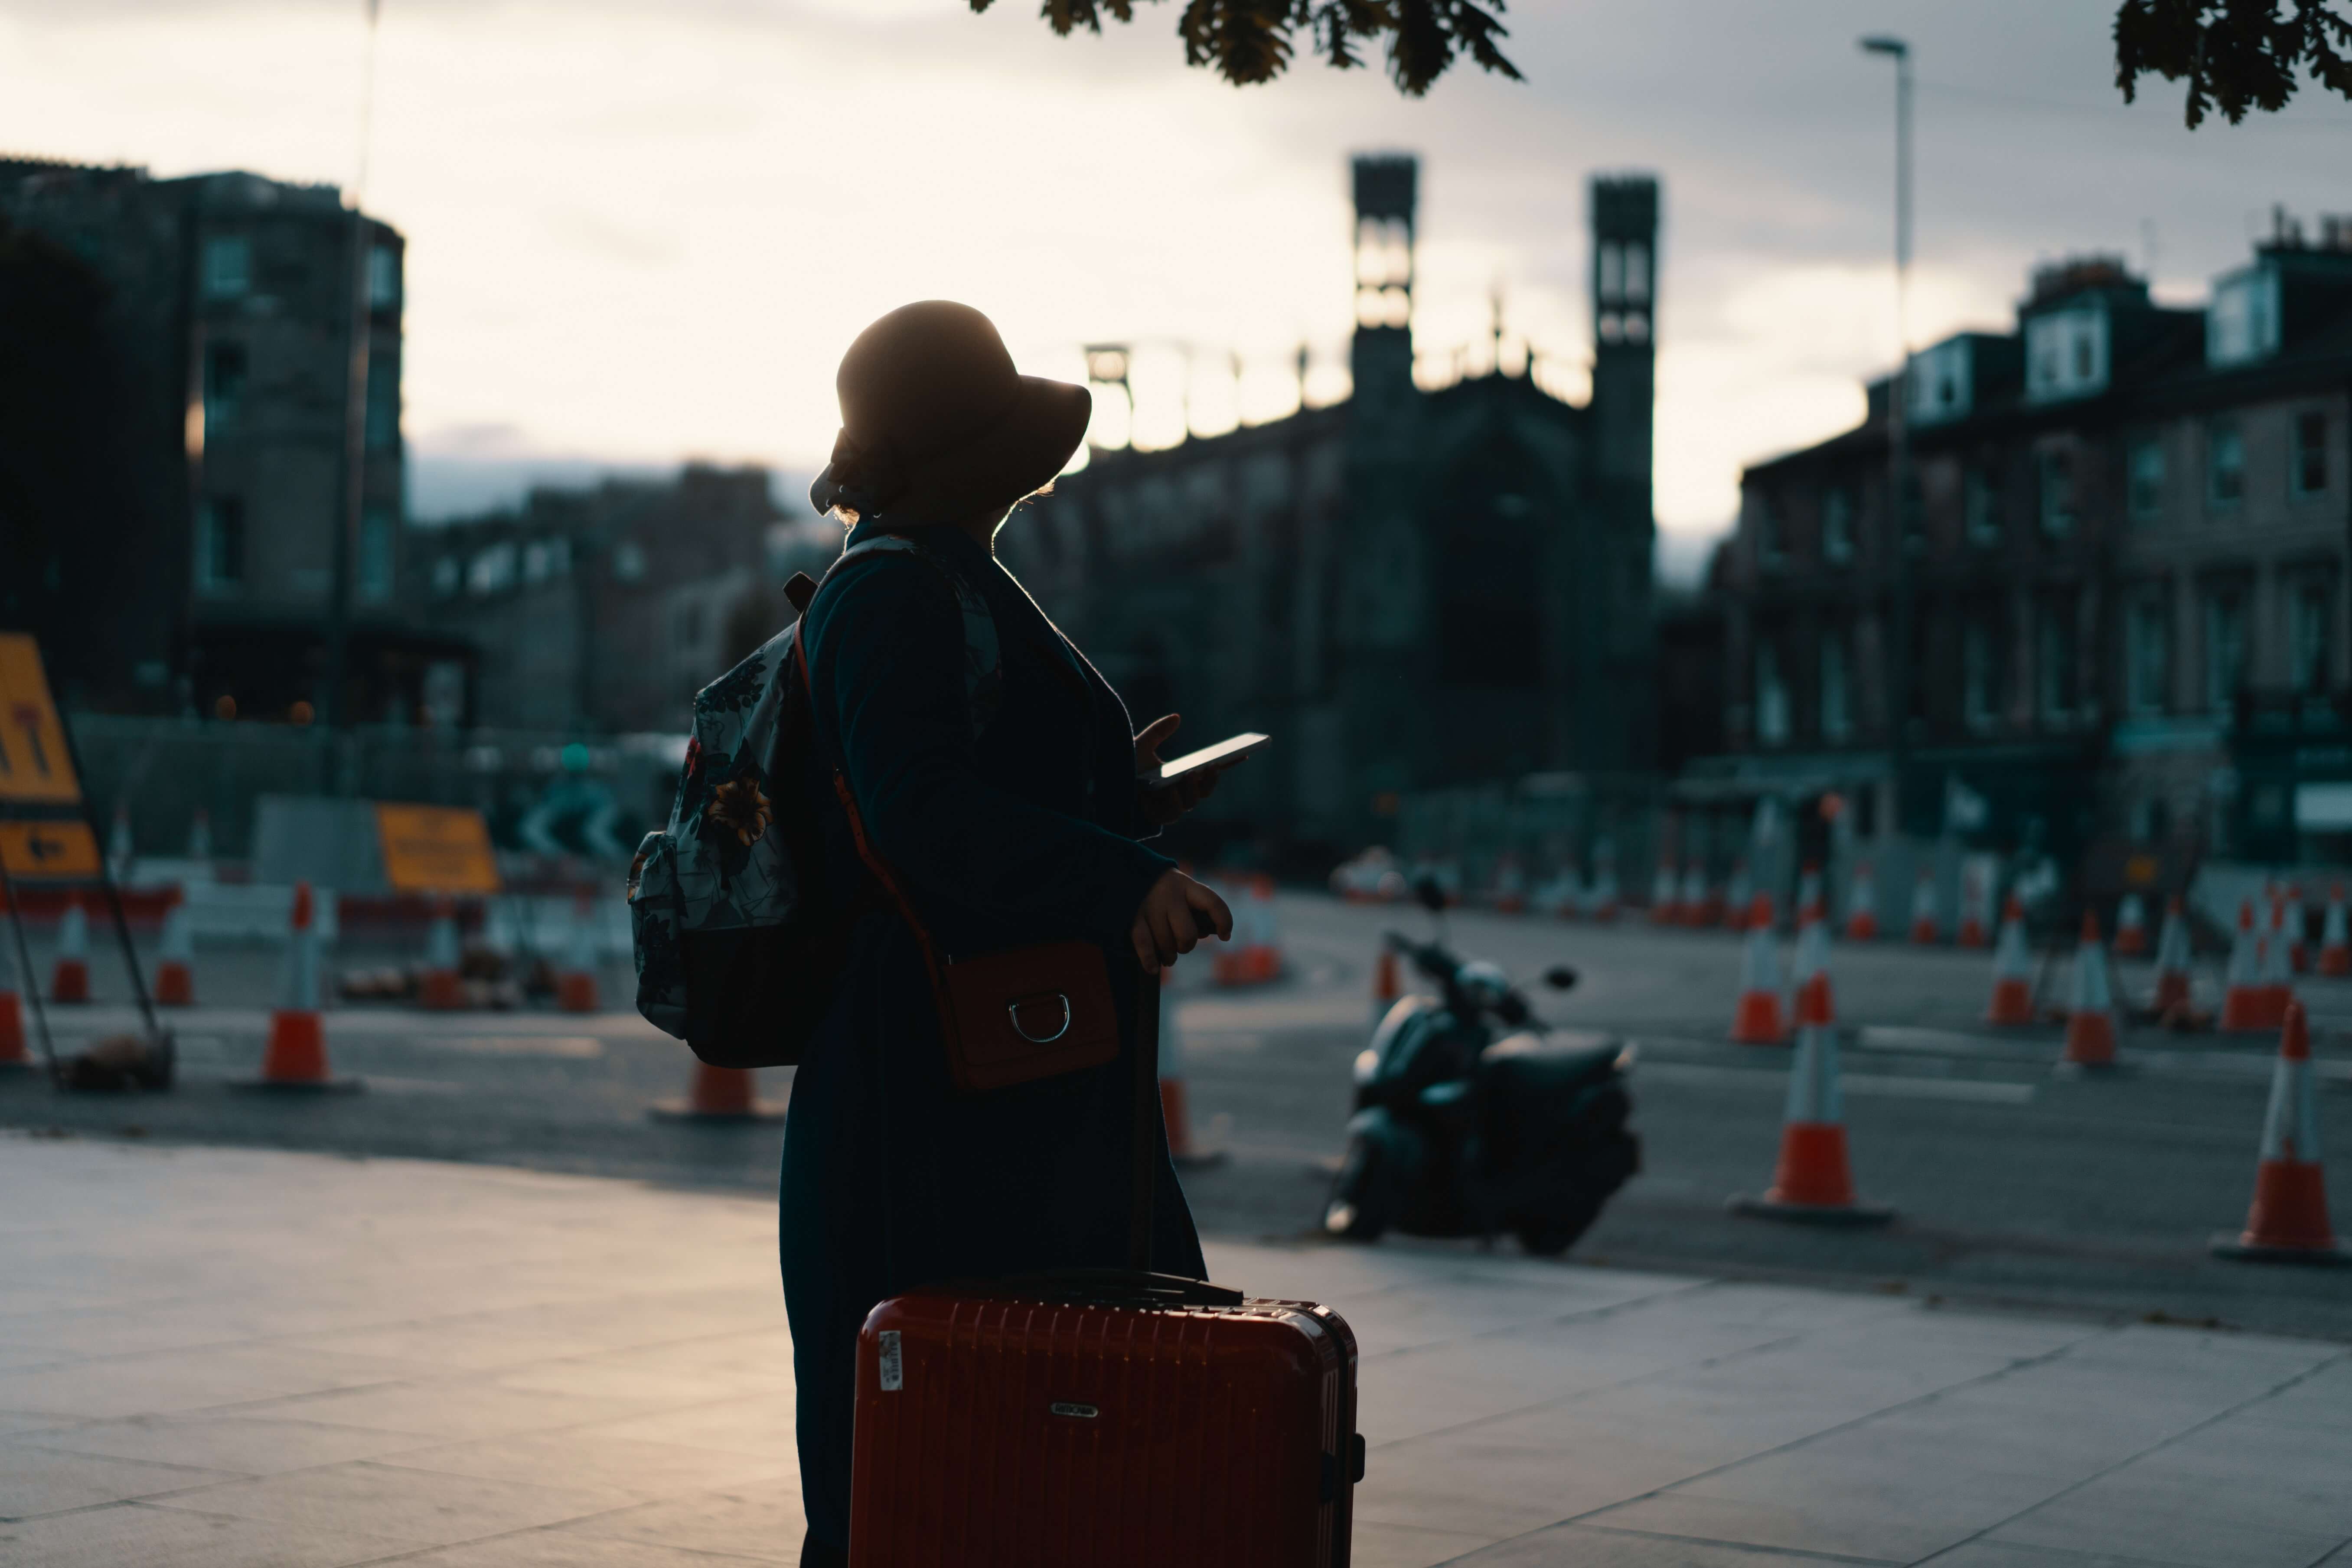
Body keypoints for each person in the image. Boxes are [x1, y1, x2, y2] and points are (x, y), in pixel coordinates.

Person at [782, 301, 1237, 1566]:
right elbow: (917, 813)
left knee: (1015, 1439)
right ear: (956, 455)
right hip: (939, 1090)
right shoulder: (894, 590)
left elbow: (966, 785)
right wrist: (1118, 877)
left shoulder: (945, 577)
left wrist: (1120, 799)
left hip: (1000, 1069)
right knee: (930, 1457)